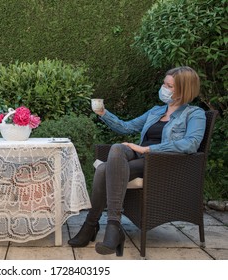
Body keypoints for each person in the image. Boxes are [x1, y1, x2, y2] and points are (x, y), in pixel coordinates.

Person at [68, 66, 206, 256]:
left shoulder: (194, 114)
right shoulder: (156, 111)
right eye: (164, 84)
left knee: (102, 170)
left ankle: (92, 225)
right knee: (117, 148)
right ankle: (113, 227)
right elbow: (126, 127)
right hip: (141, 157)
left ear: (184, 89)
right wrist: (103, 113)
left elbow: (191, 144)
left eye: (169, 86)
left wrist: (146, 149)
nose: (164, 88)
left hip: (162, 163)